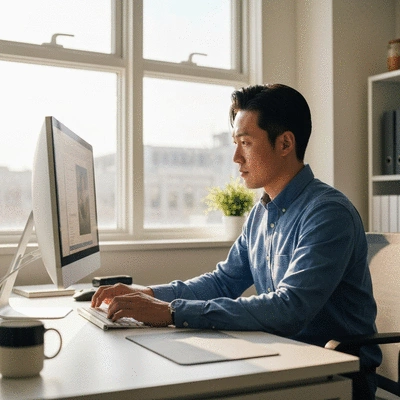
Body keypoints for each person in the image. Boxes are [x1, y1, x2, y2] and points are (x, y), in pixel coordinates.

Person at [92, 84, 381, 399]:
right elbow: (223, 282)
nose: (235, 157)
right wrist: (145, 295)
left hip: (333, 377)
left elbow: (290, 308)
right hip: (284, 361)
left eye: (246, 142)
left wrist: (171, 312)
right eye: (235, 142)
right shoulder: (262, 212)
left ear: (285, 143)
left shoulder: (328, 213)